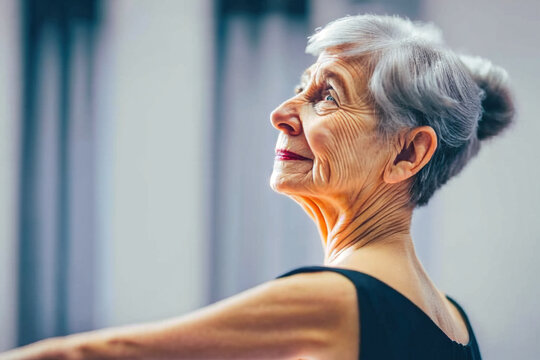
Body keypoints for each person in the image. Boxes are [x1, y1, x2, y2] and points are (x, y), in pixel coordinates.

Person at [1, 14, 513, 360]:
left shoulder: (336, 302)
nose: (281, 113)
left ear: (408, 153)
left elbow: (96, 356)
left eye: (326, 96)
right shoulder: (455, 323)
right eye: (300, 89)